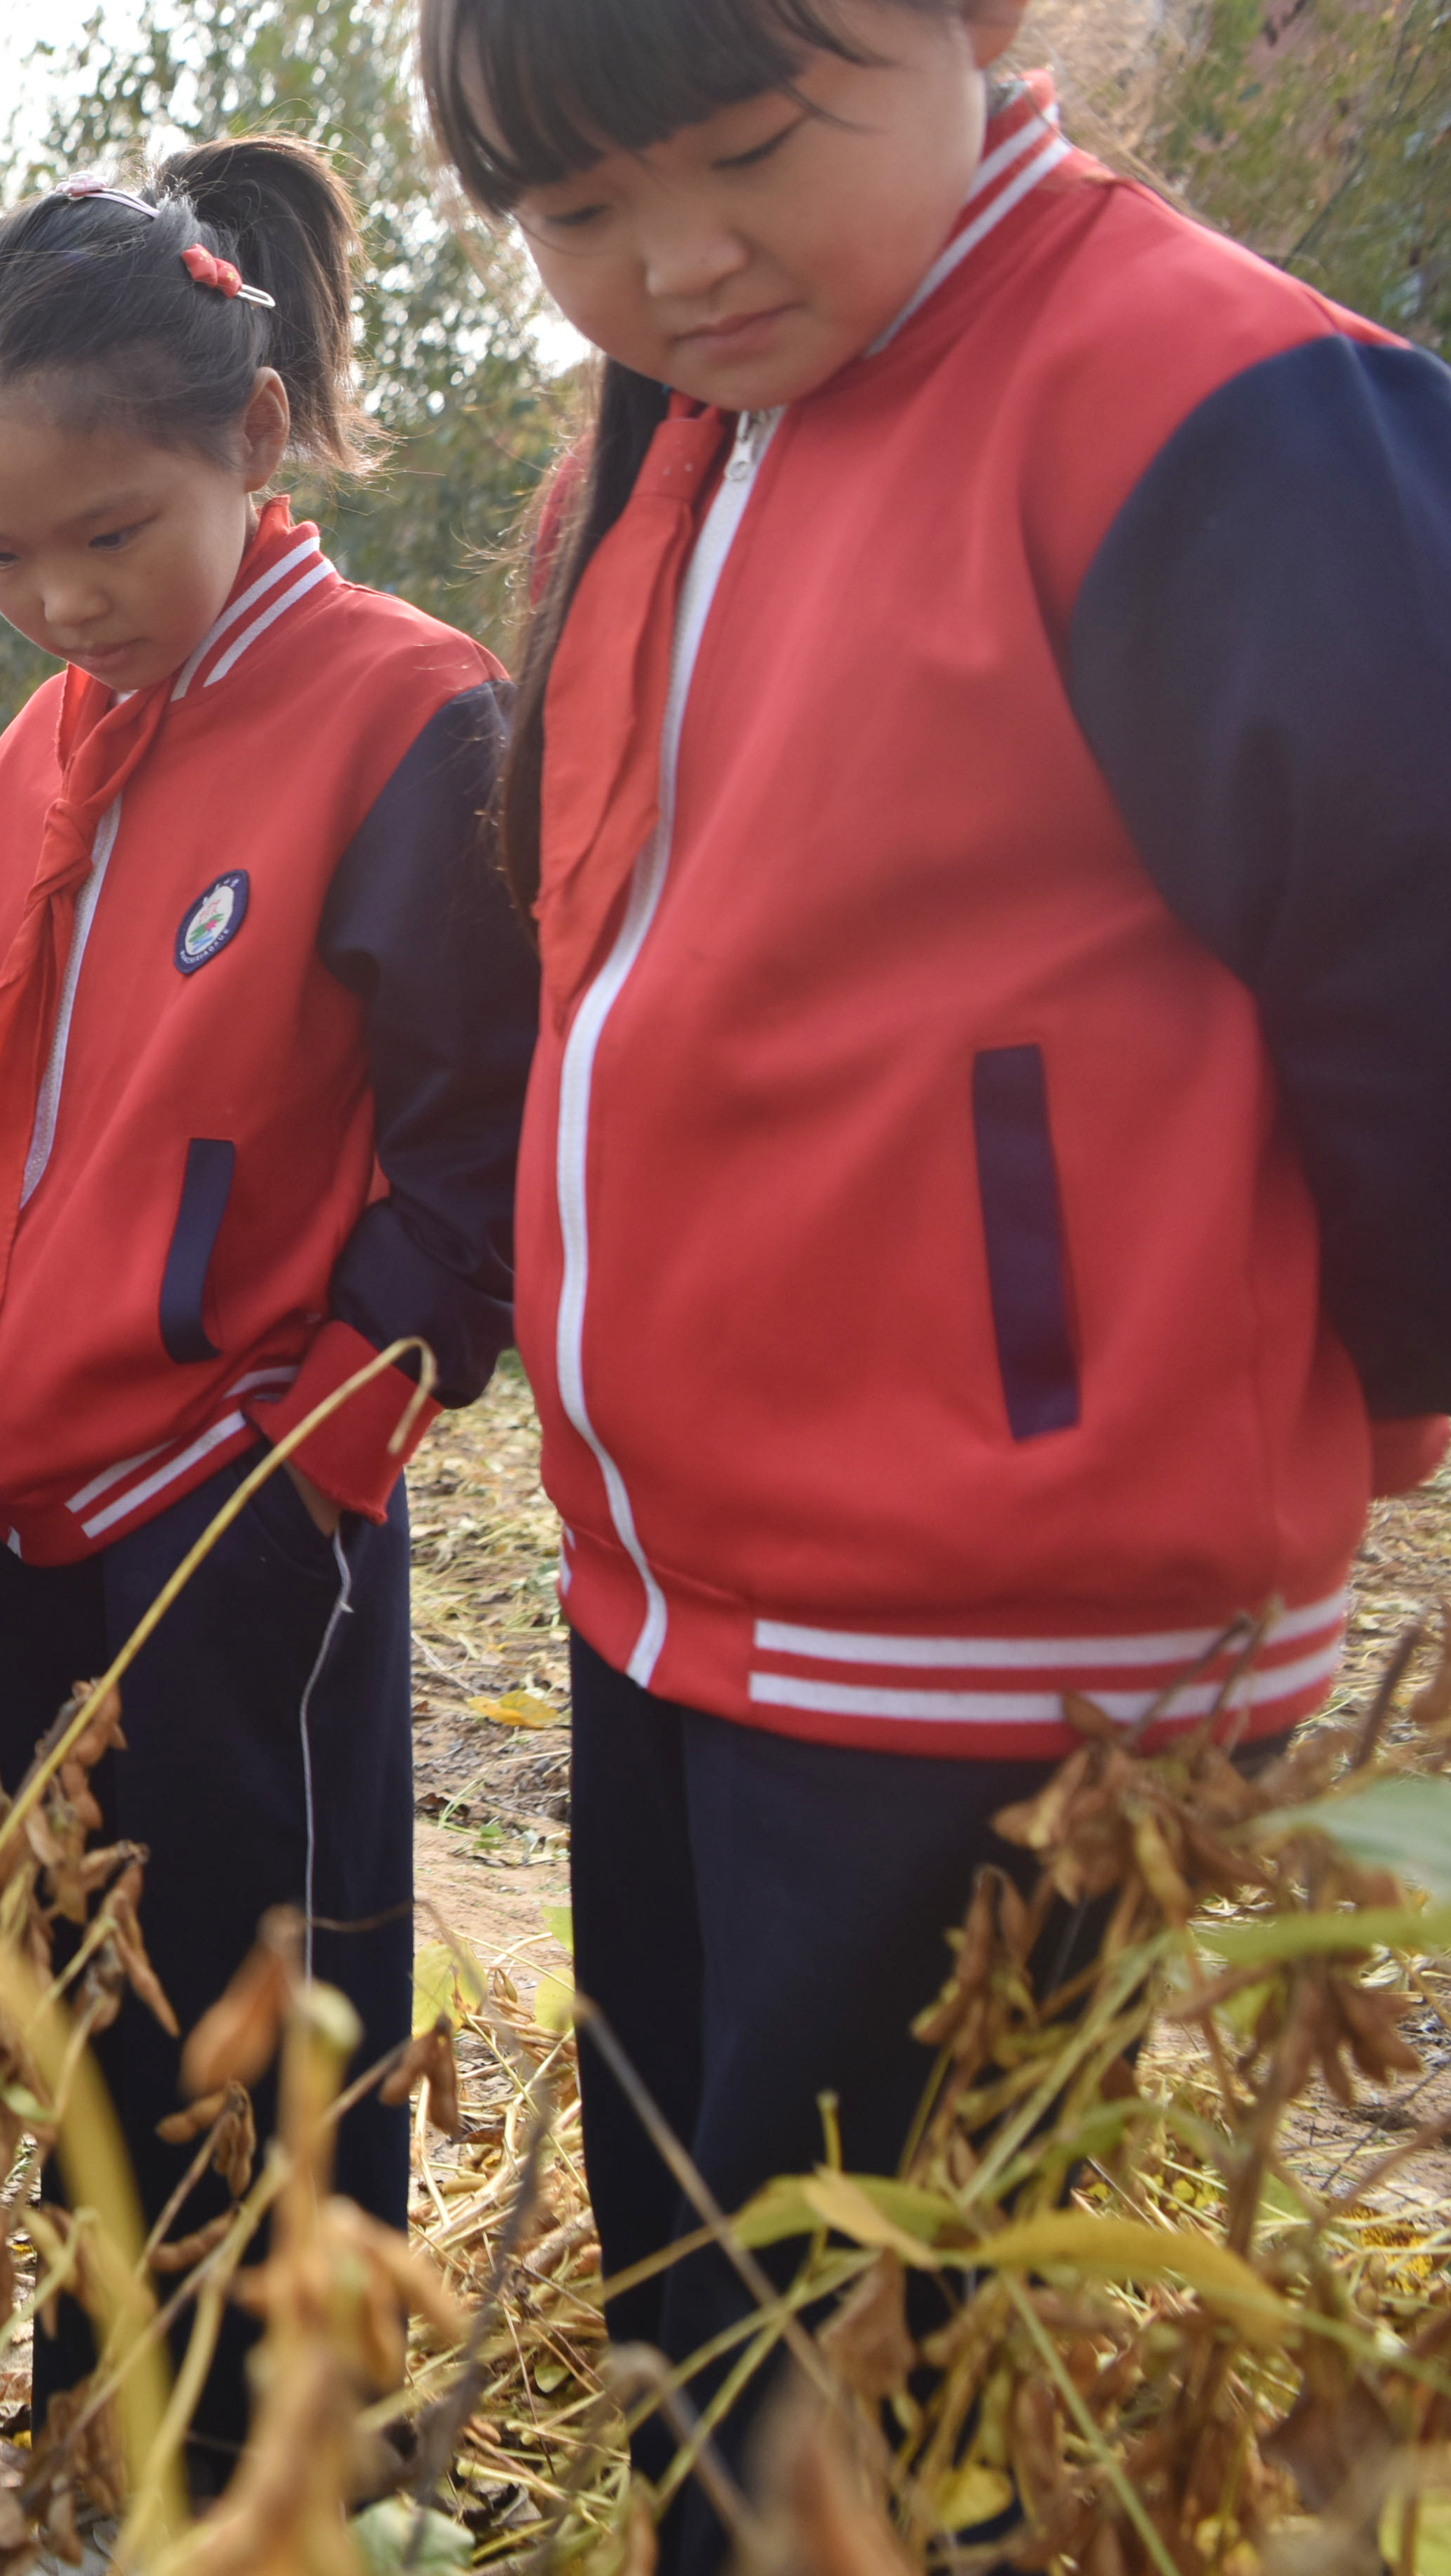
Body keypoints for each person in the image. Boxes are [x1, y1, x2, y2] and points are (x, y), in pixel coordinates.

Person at [412, 0, 1451, 2552]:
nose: (668, 258)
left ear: (979, 24)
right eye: (566, 220)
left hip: (1007, 1631)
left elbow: (1406, 960)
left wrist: (1360, 1401)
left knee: (874, 2385)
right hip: (678, 1584)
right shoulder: (667, 436)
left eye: (750, 148)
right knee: (702, 2284)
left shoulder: (1199, 402)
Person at [0, 140, 536, 2455]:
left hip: (232, 1512)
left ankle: (280, 2450)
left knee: (277, 1990)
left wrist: (296, 1468)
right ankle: (106, 2394)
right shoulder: (53, 737)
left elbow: (477, 1169)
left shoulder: (404, 717)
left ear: (253, 449)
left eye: (107, 538)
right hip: (23, 1493)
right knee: (90, 1984)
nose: (57, 600)